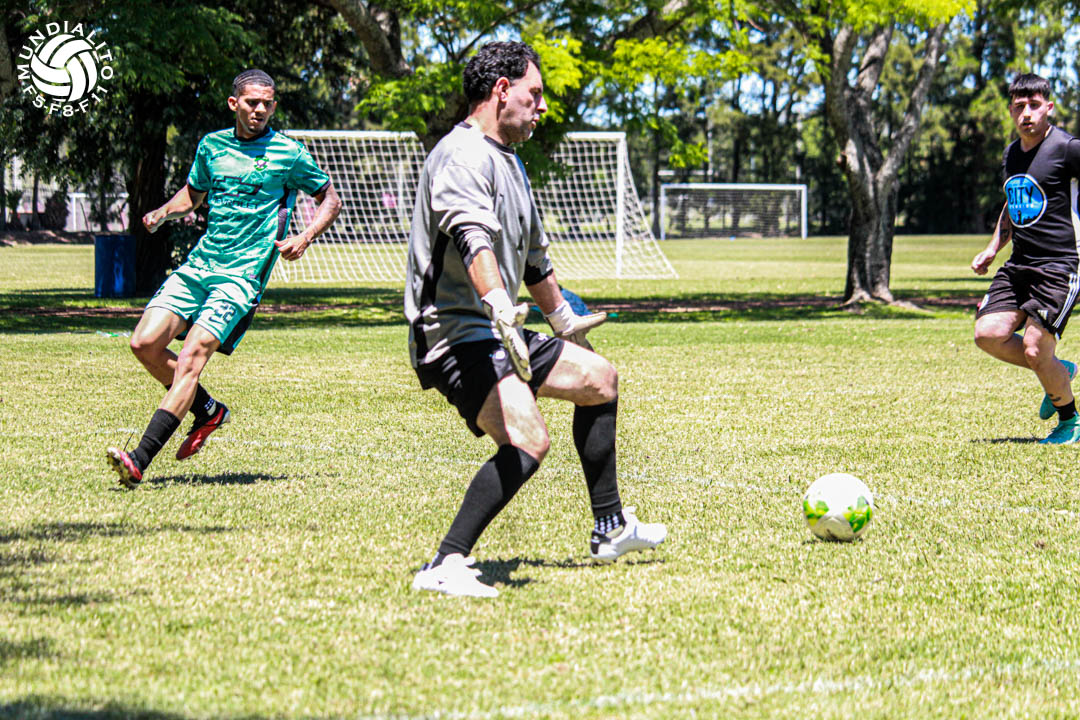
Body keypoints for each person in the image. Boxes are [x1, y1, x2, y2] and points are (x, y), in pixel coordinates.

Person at [405, 41, 667, 598]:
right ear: (502, 91)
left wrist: (563, 321)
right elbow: (471, 238)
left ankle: (610, 527)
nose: (542, 106)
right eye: (535, 93)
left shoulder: (510, 161)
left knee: (599, 380)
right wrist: (499, 305)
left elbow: (534, 260)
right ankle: (445, 564)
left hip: (494, 326)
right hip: (452, 333)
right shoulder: (461, 154)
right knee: (528, 440)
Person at [106, 69, 341, 487]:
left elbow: (330, 199)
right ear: (235, 104)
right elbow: (193, 195)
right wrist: (163, 212)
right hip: (200, 266)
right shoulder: (211, 146)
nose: (260, 110)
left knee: (191, 359)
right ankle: (209, 410)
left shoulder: (289, 153)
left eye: (267, 103)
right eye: (252, 102)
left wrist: (305, 237)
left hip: (241, 277)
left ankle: (139, 460)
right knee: (143, 343)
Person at [972, 73, 1080, 444]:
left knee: (1035, 348)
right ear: (1010, 111)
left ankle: (1070, 422)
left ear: (1049, 107)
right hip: (1019, 264)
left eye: (1034, 105)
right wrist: (993, 247)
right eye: (1019, 107)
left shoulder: (1068, 149)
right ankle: (1058, 370)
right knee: (988, 334)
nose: (1027, 114)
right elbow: (1013, 199)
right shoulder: (1011, 154)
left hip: (1061, 265)